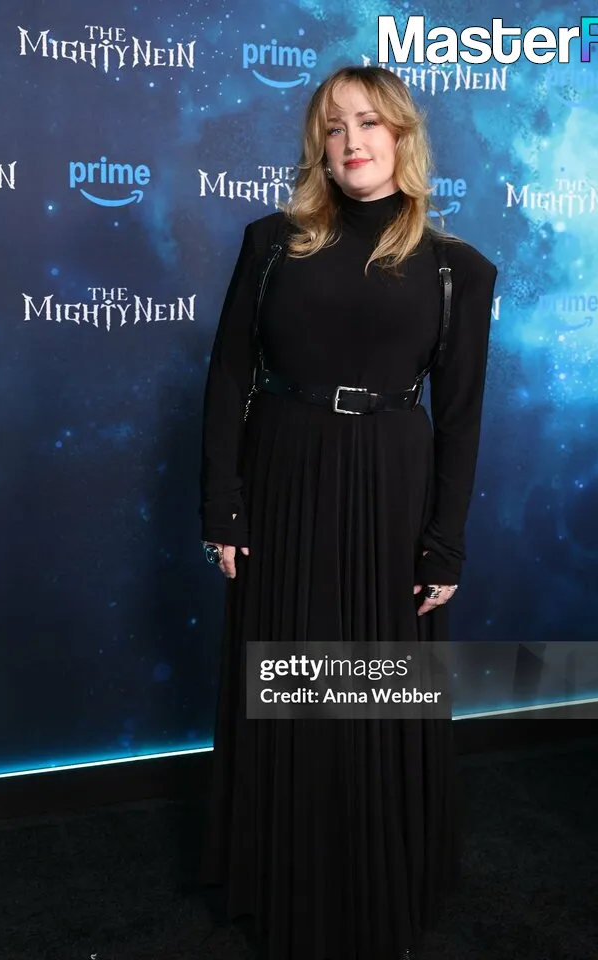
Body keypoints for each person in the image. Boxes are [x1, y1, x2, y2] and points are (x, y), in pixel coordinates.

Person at [198, 65, 497, 960]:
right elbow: (227, 378)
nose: (352, 141)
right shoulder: (271, 244)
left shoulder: (457, 268)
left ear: (402, 135)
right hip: (282, 477)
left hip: (392, 490)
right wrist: (222, 506)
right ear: (318, 148)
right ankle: (283, 883)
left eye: (369, 122)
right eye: (333, 128)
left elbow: (462, 417)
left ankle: (379, 885)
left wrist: (445, 545)